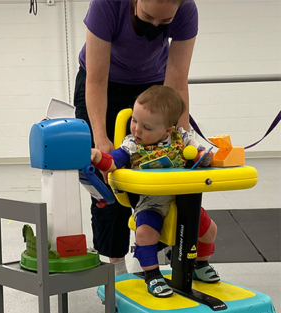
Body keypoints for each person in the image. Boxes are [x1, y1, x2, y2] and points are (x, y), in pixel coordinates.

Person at [74, 0, 198, 274]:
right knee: (109, 181)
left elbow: (177, 84)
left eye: (163, 22)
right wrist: (101, 139)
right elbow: (96, 80)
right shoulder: (107, 4)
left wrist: (183, 140)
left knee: (161, 174)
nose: (154, 26)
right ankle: (114, 269)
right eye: (148, 16)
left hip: (150, 89)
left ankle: (149, 260)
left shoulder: (186, 9)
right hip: (102, 84)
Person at [89, 85, 218, 297]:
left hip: (183, 200)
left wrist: (204, 157)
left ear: (168, 129)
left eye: (146, 127)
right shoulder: (132, 145)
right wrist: (98, 157)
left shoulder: (181, 138)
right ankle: (152, 274)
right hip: (151, 202)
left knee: (209, 230)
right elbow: (114, 162)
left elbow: (199, 154)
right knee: (144, 234)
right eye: (134, 121)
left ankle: (200, 264)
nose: (137, 129)